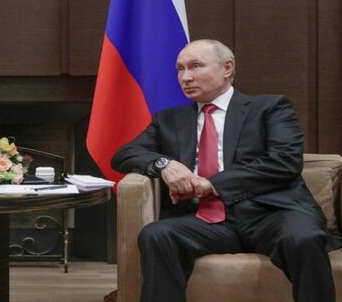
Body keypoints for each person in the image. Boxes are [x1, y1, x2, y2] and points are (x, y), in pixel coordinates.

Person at [111, 39, 338, 302]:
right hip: (206, 221)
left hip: (273, 214)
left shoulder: (269, 108)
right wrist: (166, 164)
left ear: (227, 68)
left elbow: (284, 161)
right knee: (157, 234)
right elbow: (124, 154)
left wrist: (212, 184)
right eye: (180, 69)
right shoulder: (169, 120)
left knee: (304, 237)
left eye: (196, 66)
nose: (185, 77)